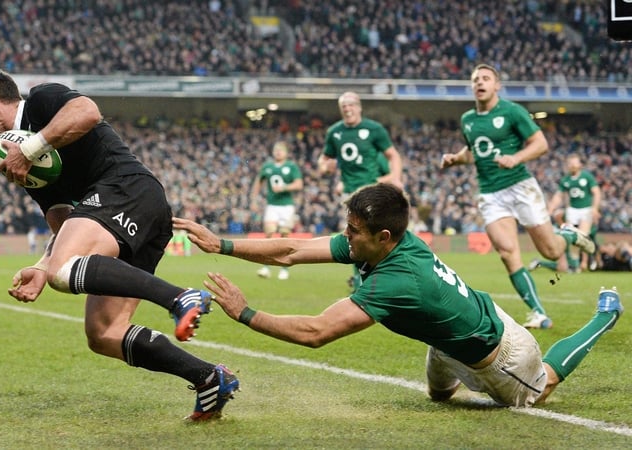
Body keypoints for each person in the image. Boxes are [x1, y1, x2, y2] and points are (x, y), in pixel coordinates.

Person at [173, 183, 623, 408]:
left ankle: (605, 315)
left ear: (383, 236)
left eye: (353, 231)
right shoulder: (384, 243)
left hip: (503, 354)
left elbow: (316, 332)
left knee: (543, 383)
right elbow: (292, 249)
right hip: (453, 339)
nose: (345, 238)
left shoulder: (397, 281)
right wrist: (223, 244)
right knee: (439, 399)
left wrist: (245, 312)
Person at [0, 68, 238, 421]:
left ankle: (180, 297)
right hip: (125, 211)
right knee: (104, 333)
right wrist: (44, 267)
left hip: (128, 189)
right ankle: (210, 379)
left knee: (65, 269)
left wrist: (29, 149)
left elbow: (87, 111)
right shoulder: (9, 156)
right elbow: (60, 216)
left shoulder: (42, 101)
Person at [440, 63, 596, 330]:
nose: (480, 83)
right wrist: (456, 159)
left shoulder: (512, 111)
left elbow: (540, 144)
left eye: (486, 78)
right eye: (476, 79)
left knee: (550, 249)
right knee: (506, 252)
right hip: (490, 194)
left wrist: (516, 158)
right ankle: (538, 312)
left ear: (497, 85)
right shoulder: (468, 119)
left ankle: (568, 235)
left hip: (520, 186)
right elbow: (474, 151)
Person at [317, 91, 403, 291]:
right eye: (343, 106)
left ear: (359, 107)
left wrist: (396, 179)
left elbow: (393, 156)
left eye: (351, 104)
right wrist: (324, 167)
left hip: (372, 193)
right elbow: (324, 159)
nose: (347, 108)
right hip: (349, 195)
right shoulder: (334, 132)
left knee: (375, 237)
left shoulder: (374, 129)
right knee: (356, 239)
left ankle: (377, 276)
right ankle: (361, 280)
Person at [250, 140, 304, 280]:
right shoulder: (267, 166)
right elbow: (258, 182)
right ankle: (266, 267)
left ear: (286, 153)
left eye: (281, 150)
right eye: (276, 149)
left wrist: (284, 187)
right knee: (269, 234)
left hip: (286, 205)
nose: (278, 152)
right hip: (272, 205)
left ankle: (284, 268)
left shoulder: (291, 166)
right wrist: (254, 199)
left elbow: (299, 184)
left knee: (284, 235)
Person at [546, 154, 601, 271]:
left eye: (574, 163)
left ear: (580, 164)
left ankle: (584, 263)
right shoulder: (565, 180)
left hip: (585, 209)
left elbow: (596, 192)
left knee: (583, 235)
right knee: (571, 235)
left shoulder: (587, 177)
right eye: (570, 163)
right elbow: (558, 196)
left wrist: (595, 208)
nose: (572, 165)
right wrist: (550, 209)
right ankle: (575, 263)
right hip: (572, 210)